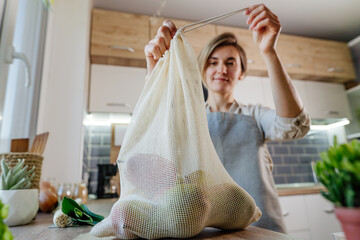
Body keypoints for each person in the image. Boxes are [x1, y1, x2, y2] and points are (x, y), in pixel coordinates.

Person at [144, 4, 310, 233]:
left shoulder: (255, 115)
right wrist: (155, 71)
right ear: (202, 71)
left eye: (230, 63)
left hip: (263, 229)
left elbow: (294, 126)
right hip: (206, 231)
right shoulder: (187, 119)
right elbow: (154, 131)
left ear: (241, 72)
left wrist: (269, 51)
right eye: (213, 62)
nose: (221, 69)